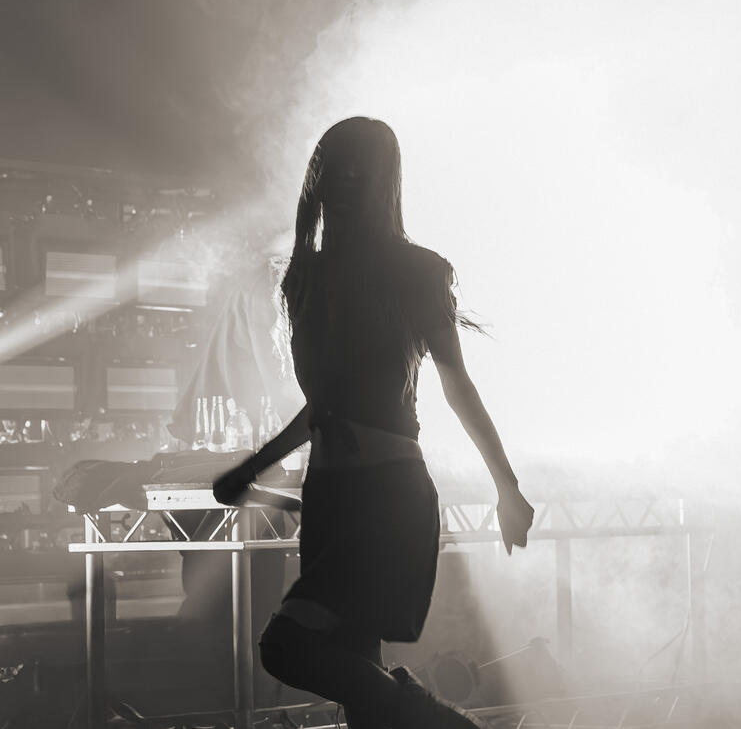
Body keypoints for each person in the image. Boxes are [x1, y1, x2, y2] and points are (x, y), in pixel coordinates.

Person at [213, 117, 534, 729]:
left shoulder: (418, 271)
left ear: (383, 182)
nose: (343, 182)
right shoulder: (304, 277)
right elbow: (325, 405)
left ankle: (446, 726)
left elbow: (457, 384)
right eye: (333, 170)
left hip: (388, 498)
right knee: (360, 691)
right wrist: (252, 468)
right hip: (330, 498)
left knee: (287, 648)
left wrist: (507, 486)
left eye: (358, 171)